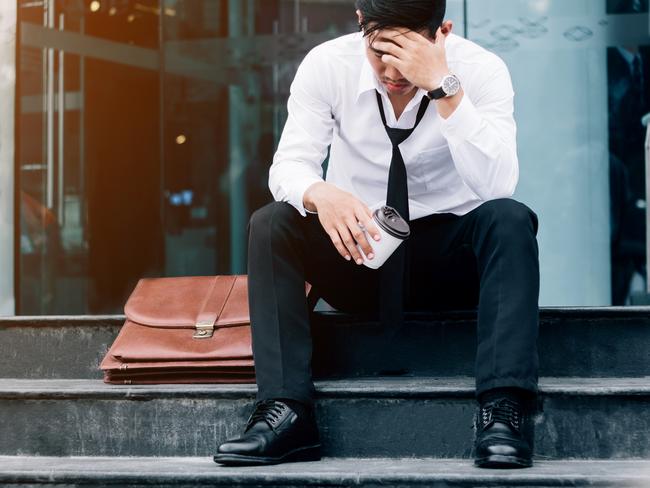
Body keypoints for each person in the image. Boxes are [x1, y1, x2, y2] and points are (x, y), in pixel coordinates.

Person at [214, 0, 540, 469]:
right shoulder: (328, 65)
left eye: (405, 53)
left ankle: (503, 413)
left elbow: (496, 185)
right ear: (360, 24)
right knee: (272, 222)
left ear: (441, 32)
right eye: (379, 52)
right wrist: (321, 194)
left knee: (510, 218)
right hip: (362, 253)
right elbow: (290, 164)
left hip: (449, 264)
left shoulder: (481, 69)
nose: (391, 72)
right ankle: (285, 412)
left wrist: (445, 89)